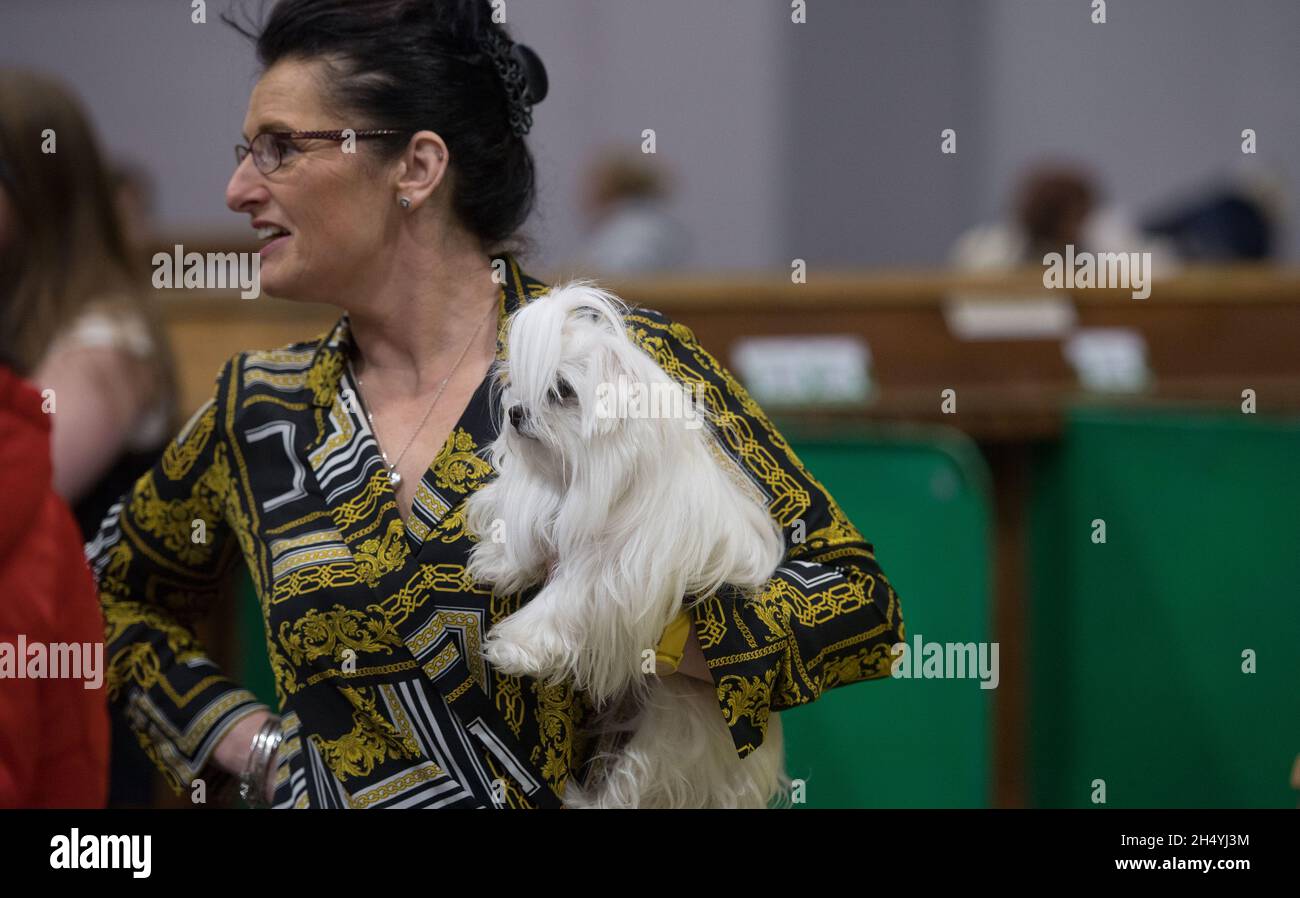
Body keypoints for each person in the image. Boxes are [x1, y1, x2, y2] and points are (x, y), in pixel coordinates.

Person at [88, 0, 905, 808]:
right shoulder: (261, 412)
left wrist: (633, 617)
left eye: (279, 149)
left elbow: (857, 609)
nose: (236, 188)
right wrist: (247, 744)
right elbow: (101, 594)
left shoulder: (609, 362)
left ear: (415, 167)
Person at [0, 68, 178, 807]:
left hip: (79, 705)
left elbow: (13, 496)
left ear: (31, 191)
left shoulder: (103, 344)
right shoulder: (20, 311)